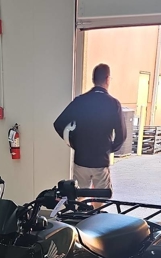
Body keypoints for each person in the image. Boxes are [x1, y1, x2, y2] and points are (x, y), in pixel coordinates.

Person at [53, 63, 126, 192]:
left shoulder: (80, 101)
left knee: (78, 195)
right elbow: (122, 135)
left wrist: (73, 142)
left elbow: (58, 124)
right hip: (100, 160)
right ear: (107, 79)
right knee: (101, 196)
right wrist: (109, 148)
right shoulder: (113, 104)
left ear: (93, 79)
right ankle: (96, 207)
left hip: (81, 159)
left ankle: (81, 206)